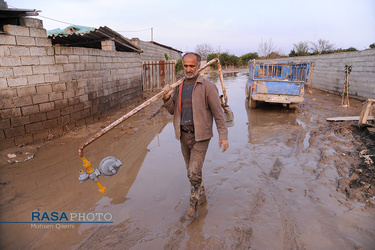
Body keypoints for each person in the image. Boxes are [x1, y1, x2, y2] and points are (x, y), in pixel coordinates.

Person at [162, 52, 229, 221]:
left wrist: (223, 135)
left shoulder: (207, 86)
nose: (189, 69)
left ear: (199, 66)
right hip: (183, 135)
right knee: (192, 171)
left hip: (201, 136)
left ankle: (193, 204)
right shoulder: (179, 86)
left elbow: (218, 113)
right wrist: (166, 98)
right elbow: (172, 111)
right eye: (185, 66)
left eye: (192, 66)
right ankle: (202, 193)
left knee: (193, 171)